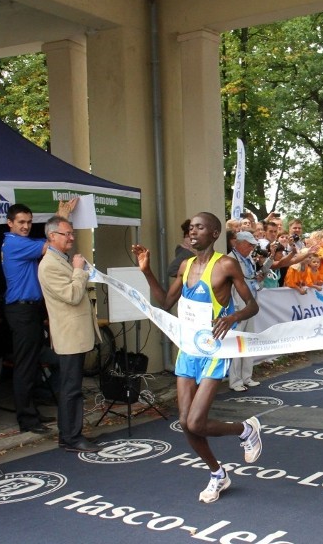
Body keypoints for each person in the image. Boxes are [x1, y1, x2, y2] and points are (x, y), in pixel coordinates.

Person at [132, 212, 262, 504]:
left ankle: (245, 429)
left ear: (214, 234)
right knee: (185, 422)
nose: (193, 232)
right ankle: (218, 474)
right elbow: (166, 302)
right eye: (190, 227)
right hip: (188, 351)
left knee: (196, 421)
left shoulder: (226, 265)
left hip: (213, 352)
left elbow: (252, 305)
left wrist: (234, 316)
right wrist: (146, 271)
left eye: (200, 228)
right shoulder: (185, 265)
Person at [2, 200, 76, 435]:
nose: (25, 226)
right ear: (10, 223)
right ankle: (27, 419)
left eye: (29, 222)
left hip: (31, 310)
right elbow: (49, 245)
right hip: (21, 310)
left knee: (33, 363)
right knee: (25, 365)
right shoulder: (13, 244)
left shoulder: (22, 242)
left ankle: (31, 412)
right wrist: (60, 216)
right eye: (21, 222)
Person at [37, 216, 101, 453]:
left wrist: (77, 271)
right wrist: (79, 271)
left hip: (77, 333)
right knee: (70, 388)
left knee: (74, 387)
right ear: (52, 236)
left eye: (72, 233)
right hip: (68, 335)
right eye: (67, 234)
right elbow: (72, 295)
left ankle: (73, 434)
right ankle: (71, 437)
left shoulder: (59, 260)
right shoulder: (49, 265)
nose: (72, 238)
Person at [226, 231, 262, 392]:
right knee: (237, 343)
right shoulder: (230, 260)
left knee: (249, 342)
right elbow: (229, 286)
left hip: (250, 304)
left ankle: (247, 376)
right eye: (249, 244)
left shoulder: (247, 259)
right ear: (238, 243)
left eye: (253, 245)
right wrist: (235, 307)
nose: (251, 248)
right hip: (239, 307)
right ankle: (235, 381)